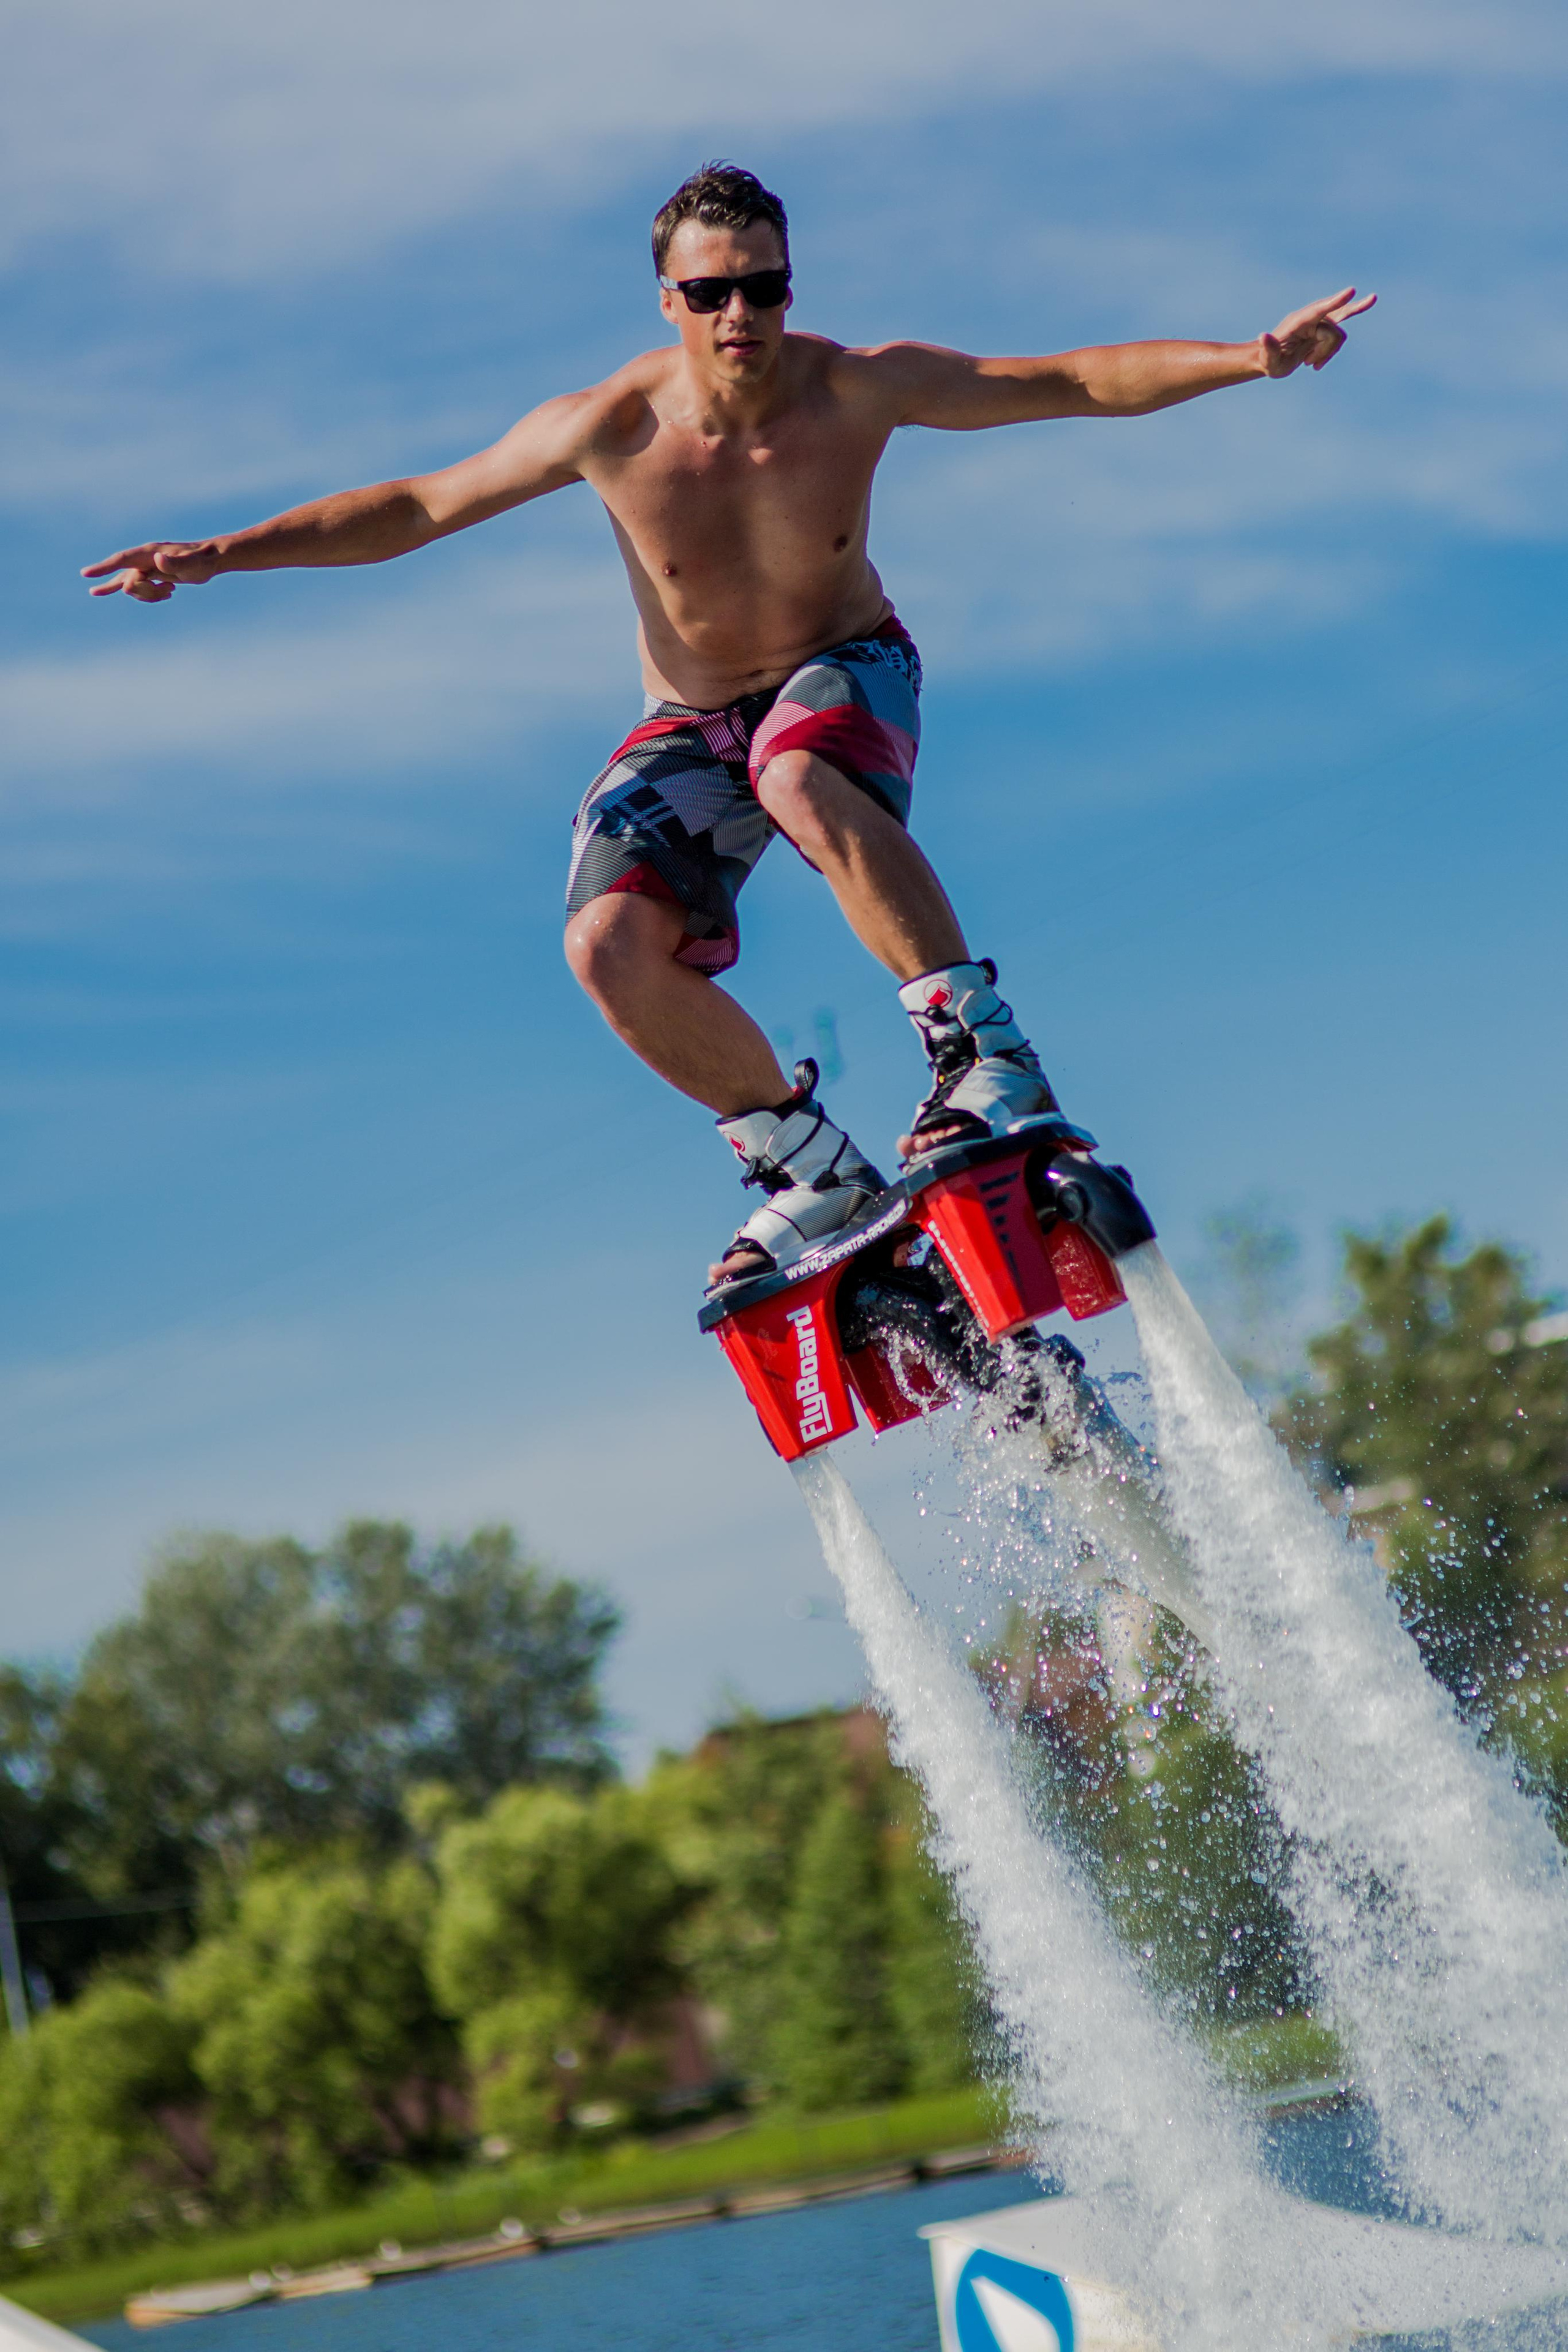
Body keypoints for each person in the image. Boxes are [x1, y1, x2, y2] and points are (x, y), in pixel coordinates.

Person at [84, 163, 1373, 1292]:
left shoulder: (854, 388)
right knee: (603, 945)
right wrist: (220, 555)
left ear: (789, 287)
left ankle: (985, 1054)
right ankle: (804, 1163)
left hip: (845, 671)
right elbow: (419, 507)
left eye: (763, 288)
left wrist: (1247, 358)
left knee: (797, 772)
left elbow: (1067, 381)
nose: (740, 316)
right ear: (669, 301)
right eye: (711, 294)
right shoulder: (609, 427)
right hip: (692, 721)